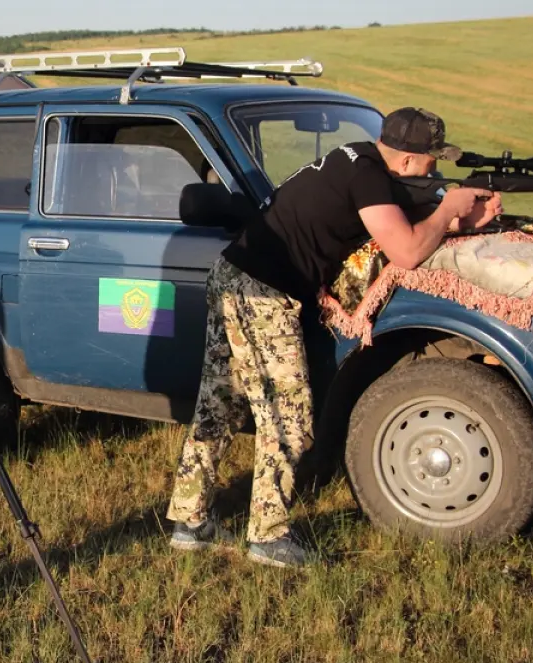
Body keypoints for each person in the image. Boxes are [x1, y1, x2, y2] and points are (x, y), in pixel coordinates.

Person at [165, 107, 503, 568]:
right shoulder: (368, 177)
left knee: (218, 405)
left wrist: (459, 219)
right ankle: (267, 536)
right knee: (288, 416)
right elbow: (405, 250)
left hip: (236, 276)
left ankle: (190, 521)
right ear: (405, 160)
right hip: (263, 292)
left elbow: (405, 231)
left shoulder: (355, 161)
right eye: (431, 160)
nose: (436, 169)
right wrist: (447, 208)